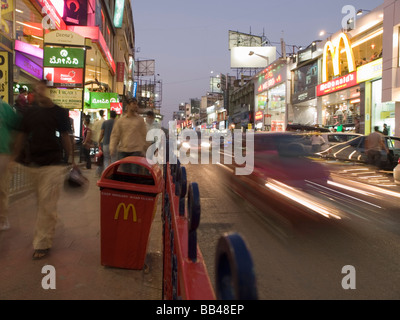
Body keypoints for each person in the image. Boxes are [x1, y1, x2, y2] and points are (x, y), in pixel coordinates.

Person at [13, 80, 75, 259]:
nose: (39, 92)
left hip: (53, 163)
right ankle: (49, 224)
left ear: (49, 91)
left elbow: (65, 136)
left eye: (42, 88)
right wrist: (13, 157)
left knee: (46, 204)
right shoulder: (30, 113)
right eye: (36, 89)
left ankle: (42, 243)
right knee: (43, 204)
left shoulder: (59, 112)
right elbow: (21, 136)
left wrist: (71, 160)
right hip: (33, 164)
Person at [110, 98, 147, 173]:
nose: (136, 106)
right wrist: (112, 148)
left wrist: (145, 150)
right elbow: (115, 135)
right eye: (134, 104)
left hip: (136, 150)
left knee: (134, 173)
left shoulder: (140, 120)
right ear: (128, 105)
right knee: (124, 174)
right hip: (123, 151)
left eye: (136, 104)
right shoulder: (120, 121)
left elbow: (144, 135)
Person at [0, 100, 19, 231]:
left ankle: (2, 218)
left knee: (2, 188)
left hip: (3, 154)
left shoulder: (5, 108)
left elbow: (18, 131)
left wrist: (13, 157)